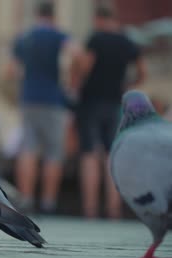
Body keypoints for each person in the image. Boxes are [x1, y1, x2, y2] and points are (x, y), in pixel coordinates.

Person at [75, 6, 147, 219]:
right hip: (116, 101)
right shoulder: (128, 42)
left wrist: (76, 83)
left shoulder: (96, 38)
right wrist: (127, 85)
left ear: (97, 19)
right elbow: (143, 71)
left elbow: (86, 66)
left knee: (89, 153)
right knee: (111, 154)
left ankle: (90, 208)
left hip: (91, 100)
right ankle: (113, 208)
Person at [11, 1, 78, 214]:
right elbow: (77, 54)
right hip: (52, 99)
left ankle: (27, 199)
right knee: (53, 152)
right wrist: (73, 82)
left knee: (28, 149)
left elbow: (9, 70)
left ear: (36, 15)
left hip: (28, 98)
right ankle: (49, 203)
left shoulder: (24, 38)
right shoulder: (59, 35)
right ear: (53, 16)